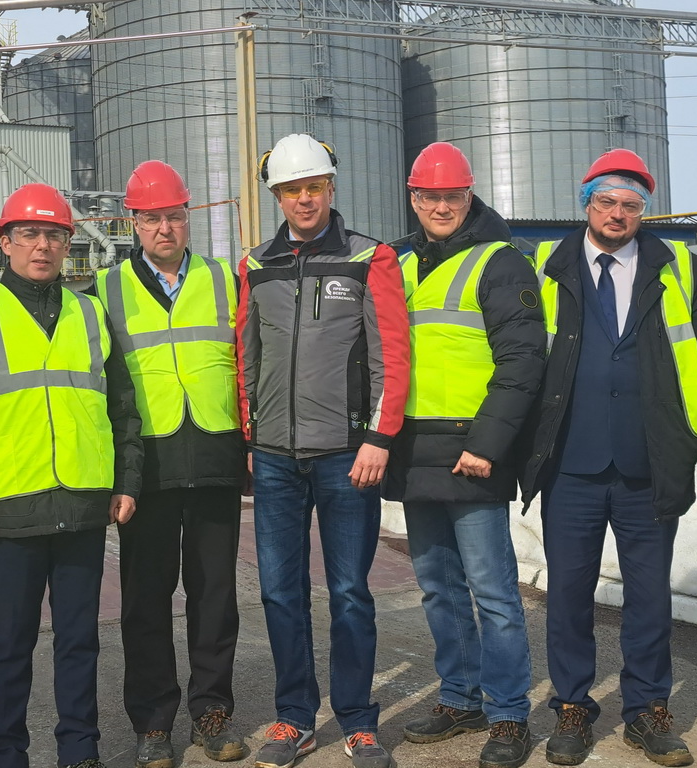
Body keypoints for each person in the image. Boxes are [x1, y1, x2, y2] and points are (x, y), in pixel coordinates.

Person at [0, 183, 143, 768]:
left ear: (69, 243)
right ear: (5, 242)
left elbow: (123, 409)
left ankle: (80, 749)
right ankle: (7, 753)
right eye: (29, 234)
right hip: (10, 509)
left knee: (80, 640)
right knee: (12, 644)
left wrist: (127, 482)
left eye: (54, 234)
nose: (42, 245)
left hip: (82, 504)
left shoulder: (90, 314)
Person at [520, 149, 697, 768]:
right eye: (606, 201)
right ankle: (572, 708)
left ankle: (647, 710)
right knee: (569, 595)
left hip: (649, 463)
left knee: (649, 597)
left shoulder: (677, 267)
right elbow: (521, 359)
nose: (618, 214)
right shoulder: (546, 266)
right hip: (570, 464)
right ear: (586, 205)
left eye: (631, 205)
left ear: (643, 212)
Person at [236, 133, 410, 768]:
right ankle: (294, 719)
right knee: (280, 593)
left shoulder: (370, 258)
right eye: (291, 190)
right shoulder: (255, 265)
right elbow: (245, 356)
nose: (304, 199)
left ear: (331, 188)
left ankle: (358, 721)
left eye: (313, 187)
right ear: (277, 197)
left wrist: (379, 438)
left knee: (349, 592)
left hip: (346, 456)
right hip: (276, 459)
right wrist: (252, 434)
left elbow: (393, 354)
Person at [386, 142, 544, 768]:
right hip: (414, 450)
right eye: (430, 196)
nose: (441, 207)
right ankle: (460, 697)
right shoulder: (397, 262)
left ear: (468, 195)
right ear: (414, 197)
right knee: (437, 587)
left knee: (493, 592)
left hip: (472, 451)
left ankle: (508, 714)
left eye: (452, 196)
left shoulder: (501, 261)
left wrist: (487, 445)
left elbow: (523, 361)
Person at [94, 160, 247, 768]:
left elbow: (249, 360)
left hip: (213, 454)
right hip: (147, 465)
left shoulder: (224, 279)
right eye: (152, 218)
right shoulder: (105, 290)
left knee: (215, 596)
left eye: (175, 216)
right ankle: (153, 721)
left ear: (189, 218)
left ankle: (212, 711)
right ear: (133, 222)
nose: (165, 228)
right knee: (146, 600)